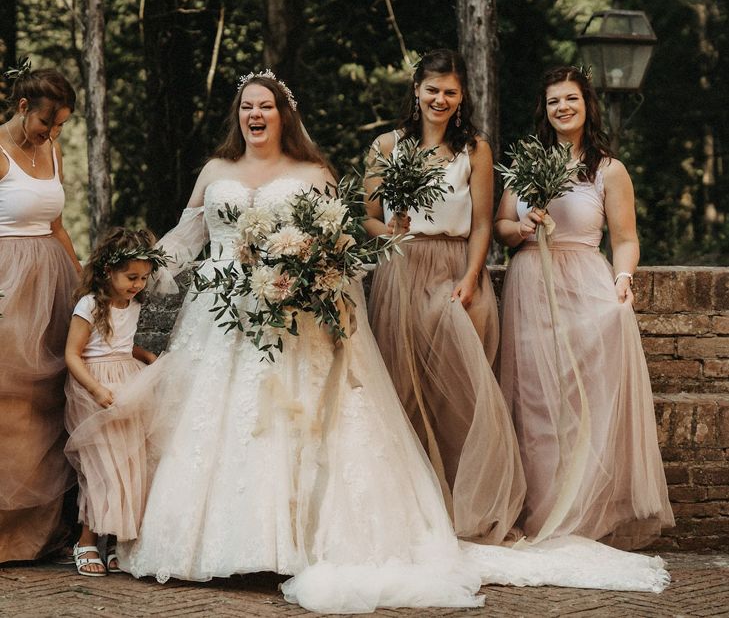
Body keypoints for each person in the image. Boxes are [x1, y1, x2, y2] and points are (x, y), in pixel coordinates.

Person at [72, 71, 672, 613]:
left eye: (267, 107)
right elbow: (187, 233)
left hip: (290, 313)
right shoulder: (214, 171)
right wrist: (141, 268)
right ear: (240, 116)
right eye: (247, 107)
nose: (256, 115)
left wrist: (307, 273)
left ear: (285, 114)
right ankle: (210, 543)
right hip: (222, 317)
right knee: (216, 425)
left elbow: (338, 241)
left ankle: (293, 542)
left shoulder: (312, 174)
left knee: (293, 424)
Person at [494, 65, 674, 549]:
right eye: (554, 101)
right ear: (545, 109)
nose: (562, 108)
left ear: (586, 104)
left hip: (584, 281)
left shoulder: (608, 170)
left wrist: (623, 279)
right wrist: (523, 225)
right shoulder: (525, 162)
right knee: (534, 403)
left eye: (570, 99)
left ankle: (583, 512)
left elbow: (627, 239)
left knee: (580, 403)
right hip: (532, 282)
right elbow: (500, 229)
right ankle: (540, 512)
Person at [364, 49, 525, 543]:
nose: (440, 99)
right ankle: (409, 506)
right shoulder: (385, 146)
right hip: (401, 268)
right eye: (432, 89)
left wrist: (473, 277)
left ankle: (466, 502)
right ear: (416, 90)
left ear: (461, 98)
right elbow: (365, 216)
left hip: (456, 268)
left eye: (450, 92)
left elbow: (481, 224)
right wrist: (389, 232)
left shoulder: (474, 149)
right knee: (403, 387)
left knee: (460, 388)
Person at [0, 62, 81, 563]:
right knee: (9, 402)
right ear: (22, 106)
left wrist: (81, 281)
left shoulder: (51, 151)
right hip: (8, 282)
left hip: (51, 281)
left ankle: (38, 533)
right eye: (46, 124)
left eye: (60, 128)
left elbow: (57, 226)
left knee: (48, 402)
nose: (51, 134)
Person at [63, 228, 163, 577]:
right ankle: (86, 540)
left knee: (128, 465)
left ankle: (117, 541)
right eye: (131, 276)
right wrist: (95, 390)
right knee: (100, 469)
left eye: (143, 278)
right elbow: (73, 355)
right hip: (95, 389)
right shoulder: (89, 304)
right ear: (108, 271)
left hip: (128, 385)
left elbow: (120, 344)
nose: (137, 284)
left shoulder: (131, 304)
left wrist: (144, 355)